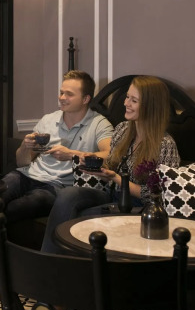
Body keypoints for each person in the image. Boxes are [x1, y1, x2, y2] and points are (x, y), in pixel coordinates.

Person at [0, 70, 113, 284]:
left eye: (69, 94)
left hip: (57, 187)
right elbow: (22, 162)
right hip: (27, 174)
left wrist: (72, 155)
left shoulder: (99, 124)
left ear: (86, 99)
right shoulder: (48, 120)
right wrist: (25, 146)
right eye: (61, 92)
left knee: (8, 207)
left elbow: (109, 155)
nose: (62, 97)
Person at [40, 75, 180, 254]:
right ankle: (48, 259)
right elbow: (112, 165)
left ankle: (61, 264)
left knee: (80, 218)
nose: (126, 103)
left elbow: (161, 196)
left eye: (134, 100)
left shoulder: (165, 145)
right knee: (69, 194)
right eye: (127, 97)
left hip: (138, 207)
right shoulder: (122, 129)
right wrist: (94, 164)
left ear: (150, 106)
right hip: (112, 195)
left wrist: (116, 178)